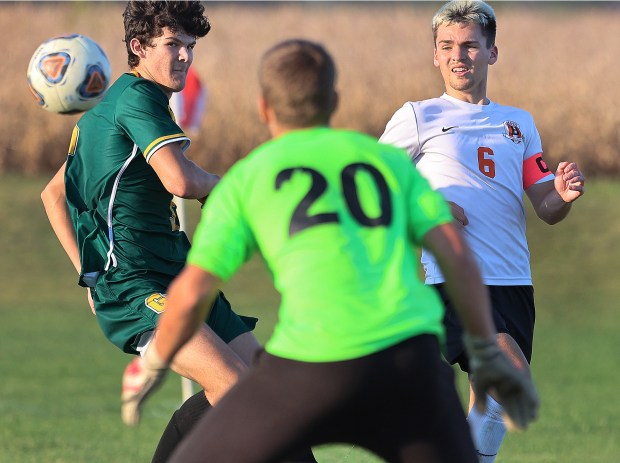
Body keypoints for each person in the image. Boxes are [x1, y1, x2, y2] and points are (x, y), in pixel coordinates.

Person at [127, 38, 539, 463]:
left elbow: (191, 294)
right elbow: (457, 257)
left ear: (264, 107)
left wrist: (152, 363)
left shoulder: (249, 179)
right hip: (407, 368)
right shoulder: (389, 164)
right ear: (334, 101)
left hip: (307, 369)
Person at [41, 3, 316, 462]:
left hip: (178, 276)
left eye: (190, 47)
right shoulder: (136, 99)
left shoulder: (109, 109)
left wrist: (88, 276)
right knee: (239, 392)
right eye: (173, 45)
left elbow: (53, 196)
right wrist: (222, 187)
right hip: (137, 284)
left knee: (268, 391)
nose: (186, 57)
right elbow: (181, 180)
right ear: (138, 47)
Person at [379, 1, 585, 461]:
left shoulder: (518, 123)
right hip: (454, 279)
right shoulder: (419, 116)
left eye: (471, 46)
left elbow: (545, 206)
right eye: (447, 46)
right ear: (434, 55)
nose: (459, 56)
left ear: (492, 52)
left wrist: (563, 196)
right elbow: (369, 184)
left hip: (513, 282)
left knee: (488, 406)